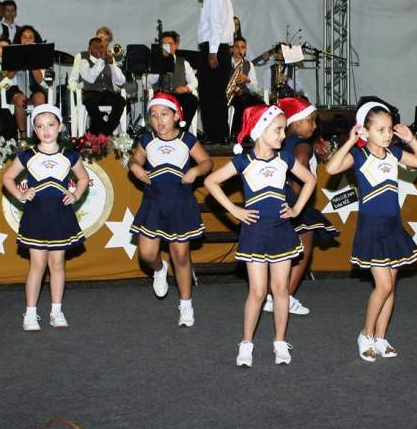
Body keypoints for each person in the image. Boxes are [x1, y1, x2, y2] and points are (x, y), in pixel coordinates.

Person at [204, 104, 316, 367]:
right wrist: (234, 209)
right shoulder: (244, 160)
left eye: (283, 129)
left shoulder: (284, 159)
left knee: (280, 290)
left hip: (281, 231)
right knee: (257, 291)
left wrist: (297, 208)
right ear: (259, 131)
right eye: (277, 130)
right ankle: (246, 343)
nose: (282, 135)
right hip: (254, 232)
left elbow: (310, 180)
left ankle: (279, 341)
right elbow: (211, 182)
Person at [326, 100, 417, 361]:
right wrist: (351, 141)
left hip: (393, 227)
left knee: (391, 286)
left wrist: (411, 139)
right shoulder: (359, 156)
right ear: (365, 130)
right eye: (380, 129)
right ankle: (366, 334)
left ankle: (382, 337)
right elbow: (330, 168)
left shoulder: (394, 153)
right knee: (382, 285)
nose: (386, 134)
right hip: (371, 229)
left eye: (389, 129)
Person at [1, 104, 89, 331]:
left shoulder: (69, 155)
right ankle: (30, 313)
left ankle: (56, 311)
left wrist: (76, 194)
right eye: (39, 126)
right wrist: (21, 194)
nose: (46, 130)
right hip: (36, 217)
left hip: (60, 216)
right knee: (37, 265)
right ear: (34, 130)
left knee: (57, 264)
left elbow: (82, 177)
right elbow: (7, 178)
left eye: (51, 125)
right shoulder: (27, 155)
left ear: (60, 127)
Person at [128, 93, 212, 327]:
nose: (159, 120)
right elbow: (133, 160)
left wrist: (196, 171)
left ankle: (185, 304)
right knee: (146, 254)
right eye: (154, 116)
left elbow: (207, 162)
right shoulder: (146, 141)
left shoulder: (188, 139)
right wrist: (135, 168)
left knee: (181, 256)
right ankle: (159, 268)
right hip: (154, 204)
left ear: (176, 116)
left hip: (180, 205)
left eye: (164, 114)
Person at [261, 96, 338, 316]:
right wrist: (298, 191)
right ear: (293, 122)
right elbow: (301, 165)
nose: (314, 126)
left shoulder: (280, 143)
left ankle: (270, 295)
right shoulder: (303, 144)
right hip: (295, 202)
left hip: (275, 199)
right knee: (303, 249)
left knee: (281, 252)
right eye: (310, 120)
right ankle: (285, 296)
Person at [194, 0, 235, 144]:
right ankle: (220, 134)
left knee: (209, 95)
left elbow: (216, 26)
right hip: (221, 49)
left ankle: (214, 135)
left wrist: (212, 53)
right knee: (217, 95)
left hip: (214, 49)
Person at [147, 31, 199, 129]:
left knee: (192, 100)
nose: (167, 47)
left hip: (178, 94)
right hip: (162, 94)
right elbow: (151, 81)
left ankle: (181, 130)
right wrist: (159, 64)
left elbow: (194, 81)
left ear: (176, 46)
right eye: (164, 44)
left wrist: (186, 88)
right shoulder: (156, 62)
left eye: (170, 44)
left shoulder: (183, 63)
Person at [78, 37, 126, 136]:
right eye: (95, 47)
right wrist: (100, 61)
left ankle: (102, 131)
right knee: (90, 102)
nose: (99, 50)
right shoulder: (84, 61)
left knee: (121, 101)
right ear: (89, 49)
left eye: (101, 47)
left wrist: (112, 64)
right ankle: (106, 131)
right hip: (91, 92)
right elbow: (90, 78)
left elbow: (121, 81)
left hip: (108, 93)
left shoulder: (109, 60)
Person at [228, 36, 263, 139]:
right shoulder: (226, 63)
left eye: (243, 47)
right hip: (230, 95)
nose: (240, 50)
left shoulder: (249, 64)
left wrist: (247, 79)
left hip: (244, 94)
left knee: (261, 104)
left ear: (245, 50)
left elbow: (254, 87)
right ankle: (236, 133)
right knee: (242, 103)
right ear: (232, 49)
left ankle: (254, 133)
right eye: (237, 47)